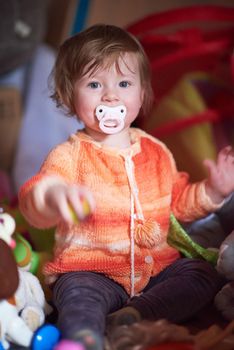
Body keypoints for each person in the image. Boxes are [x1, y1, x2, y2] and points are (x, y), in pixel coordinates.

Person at [18, 24, 234, 350]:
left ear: (142, 93)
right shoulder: (70, 154)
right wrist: (53, 197)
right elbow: (38, 190)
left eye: (124, 83)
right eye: (94, 84)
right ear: (68, 96)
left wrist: (214, 191)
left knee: (201, 274)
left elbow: (178, 204)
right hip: (90, 270)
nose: (110, 95)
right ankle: (85, 337)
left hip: (155, 270)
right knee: (76, 296)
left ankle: (135, 315)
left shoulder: (156, 151)